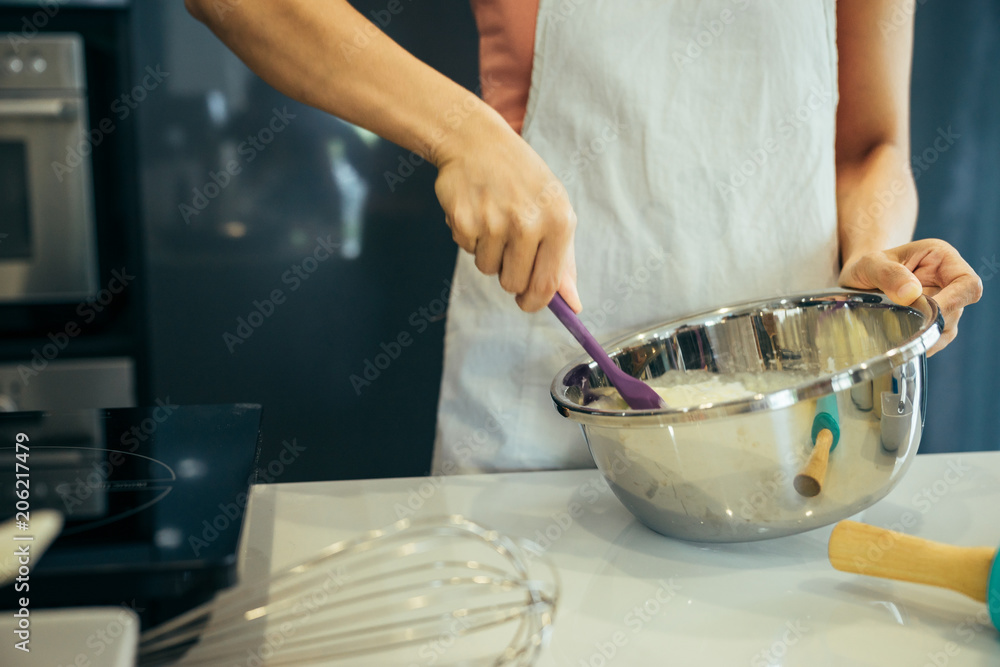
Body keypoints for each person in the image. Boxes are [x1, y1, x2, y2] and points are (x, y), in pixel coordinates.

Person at [187, 0, 983, 474]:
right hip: (542, 405)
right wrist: (464, 132)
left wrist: (870, 254)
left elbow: (869, 145)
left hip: (792, 418)